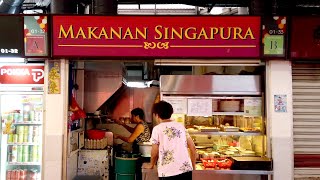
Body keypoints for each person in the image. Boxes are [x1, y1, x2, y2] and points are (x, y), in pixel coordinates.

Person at [144, 101, 196, 180]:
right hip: (186, 171)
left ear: (156, 115)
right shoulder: (181, 126)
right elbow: (192, 148)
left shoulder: (157, 129)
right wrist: (193, 166)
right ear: (170, 113)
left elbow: (154, 151)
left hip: (167, 172)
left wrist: (151, 164)